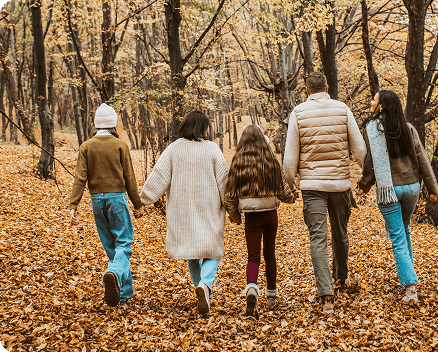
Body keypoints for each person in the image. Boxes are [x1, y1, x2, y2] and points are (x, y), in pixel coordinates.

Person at [283, 72, 367, 313]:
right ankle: (340, 279)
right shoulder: (343, 110)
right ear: (327, 87)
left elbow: (290, 159)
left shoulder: (298, 113)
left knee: (317, 239)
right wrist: (364, 176)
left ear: (307, 91)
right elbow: (359, 149)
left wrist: (290, 184)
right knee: (340, 233)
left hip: (312, 187)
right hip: (340, 185)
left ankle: (326, 295)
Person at [139, 111, 228, 315]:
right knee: (212, 249)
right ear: (203, 128)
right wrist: (231, 207)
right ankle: (205, 286)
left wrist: (143, 200)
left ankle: (202, 288)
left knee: (192, 251)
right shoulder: (212, 149)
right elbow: (224, 182)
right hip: (209, 210)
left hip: (183, 211)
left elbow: (158, 176)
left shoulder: (174, 149)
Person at [358, 90, 438, 303]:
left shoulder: (373, 131)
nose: (371, 101)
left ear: (382, 106)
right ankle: (408, 273)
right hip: (412, 188)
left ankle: (410, 287)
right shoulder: (408, 128)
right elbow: (423, 159)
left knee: (397, 237)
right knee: (404, 231)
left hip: (389, 191)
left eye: (374, 99)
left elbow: (370, 164)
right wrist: (433, 189)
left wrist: (364, 184)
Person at [69, 103, 145, 307]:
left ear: (96, 124)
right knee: (124, 243)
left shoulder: (86, 146)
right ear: (113, 124)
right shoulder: (120, 146)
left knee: (111, 246)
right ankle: (113, 273)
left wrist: (73, 205)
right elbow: (129, 177)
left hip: (96, 201)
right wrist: (137, 204)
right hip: (117, 199)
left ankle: (124, 292)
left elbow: (80, 177)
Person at [224, 125, 297, 318]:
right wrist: (293, 196)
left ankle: (251, 288)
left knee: (253, 256)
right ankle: (271, 296)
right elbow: (283, 192)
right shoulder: (272, 161)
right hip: (270, 214)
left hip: (251, 216)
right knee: (270, 253)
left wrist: (235, 216)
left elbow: (229, 195)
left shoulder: (238, 163)